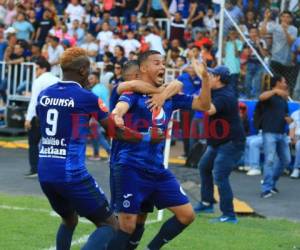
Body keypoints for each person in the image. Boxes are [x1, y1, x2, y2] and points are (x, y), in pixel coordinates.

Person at [36, 47, 161, 250]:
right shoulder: (86, 97)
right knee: (109, 224)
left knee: (69, 220)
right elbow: (115, 132)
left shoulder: (44, 94)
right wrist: (147, 137)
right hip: (71, 173)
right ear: (84, 70)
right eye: (91, 70)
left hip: (45, 171)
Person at [107, 50, 211, 250]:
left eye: (163, 63)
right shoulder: (133, 94)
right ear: (143, 68)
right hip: (130, 167)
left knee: (186, 214)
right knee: (127, 225)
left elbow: (204, 105)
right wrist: (118, 114)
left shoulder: (171, 97)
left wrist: (205, 78)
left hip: (156, 169)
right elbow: (121, 106)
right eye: (157, 63)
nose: (162, 67)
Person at [194, 65, 245, 224]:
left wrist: (203, 82)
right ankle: (207, 203)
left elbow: (208, 110)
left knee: (220, 175)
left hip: (231, 143)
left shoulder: (225, 96)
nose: (209, 75)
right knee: (204, 167)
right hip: (219, 141)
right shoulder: (218, 88)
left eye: (212, 74)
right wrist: (195, 61)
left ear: (218, 79)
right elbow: (202, 75)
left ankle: (229, 215)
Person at [24, 57, 60, 178]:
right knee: (52, 144)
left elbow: (34, 101)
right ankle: (52, 169)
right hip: (55, 117)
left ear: (43, 68)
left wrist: (28, 118)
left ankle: (35, 169)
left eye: (37, 68)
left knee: (33, 143)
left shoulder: (39, 81)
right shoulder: (58, 80)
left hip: (39, 117)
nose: (36, 71)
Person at [259, 75, 292, 198]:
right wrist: (274, 91)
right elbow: (261, 97)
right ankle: (266, 189)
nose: (286, 84)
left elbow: (285, 113)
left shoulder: (283, 98)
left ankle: (271, 183)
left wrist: (288, 119)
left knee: (286, 160)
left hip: (281, 133)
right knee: (269, 160)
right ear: (277, 83)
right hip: (269, 133)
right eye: (284, 82)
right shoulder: (269, 95)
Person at [290, 108, 300, 178]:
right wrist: (292, 138)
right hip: (296, 136)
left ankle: (296, 168)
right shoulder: (294, 114)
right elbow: (292, 129)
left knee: (299, 145)